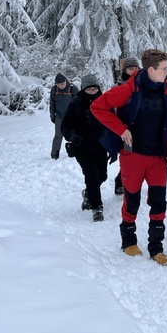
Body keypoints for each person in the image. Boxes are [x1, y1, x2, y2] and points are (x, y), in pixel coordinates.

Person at [91, 49, 167, 265]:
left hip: (158, 158)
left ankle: (156, 247)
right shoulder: (130, 89)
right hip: (134, 157)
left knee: (158, 203)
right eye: (164, 68)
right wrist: (121, 129)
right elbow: (97, 107)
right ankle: (128, 241)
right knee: (132, 201)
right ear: (151, 69)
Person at [61, 74, 108, 222]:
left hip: (101, 145)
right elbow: (65, 126)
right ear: (83, 89)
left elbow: (113, 122)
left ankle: (88, 192)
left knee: (102, 176)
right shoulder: (75, 104)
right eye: (89, 89)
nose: (92, 91)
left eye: (94, 88)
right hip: (82, 146)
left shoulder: (105, 102)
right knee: (92, 176)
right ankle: (96, 208)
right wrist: (72, 136)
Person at [113, 57, 140, 196]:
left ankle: (130, 181)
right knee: (127, 155)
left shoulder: (141, 83)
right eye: (131, 69)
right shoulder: (118, 86)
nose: (134, 71)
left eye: (136, 68)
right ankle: (120, 181)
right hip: (123, 125)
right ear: (125, 70)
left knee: (137, 155)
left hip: (139, 125)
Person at [49, 73, 78, 159]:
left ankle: (75, 151)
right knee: (58, 135)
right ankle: (55, 154)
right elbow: (52, 103)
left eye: (62, 84)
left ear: (65, 81)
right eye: (58, 84)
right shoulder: (54, 90)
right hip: (59, 116)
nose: (61, 86)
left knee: (73, 134)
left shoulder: (73, 89)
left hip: (71, 117)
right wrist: (52, 115)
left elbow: (78, 103)